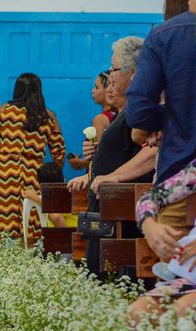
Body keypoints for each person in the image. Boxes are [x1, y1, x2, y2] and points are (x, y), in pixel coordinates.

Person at [68, 36, 156, 276]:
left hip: (124, 214)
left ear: (133, 73)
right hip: (105, 212)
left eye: (113, 69)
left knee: (114, 277)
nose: (110, 76)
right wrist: (95, 163)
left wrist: (114, 176)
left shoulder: (145, 109)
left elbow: (152, 151)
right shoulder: (125, 112)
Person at [125, 2, 196, 259]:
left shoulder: (165, 36)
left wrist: (177, 114)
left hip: (180, 172)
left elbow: (138, 113)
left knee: (175, 279)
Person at [0, 73, 66, 244]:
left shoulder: (3, 111)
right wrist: (51, 176)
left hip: (4, 175)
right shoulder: (48, 116)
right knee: (31, 231)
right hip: (34, 176)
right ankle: (29, 268)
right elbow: (59, 154)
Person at [129, 155, 196, 324]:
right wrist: (149, 225)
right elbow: (152, 197)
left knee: (184, 310)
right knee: (139, 312)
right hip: (191, 276)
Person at [69, 71, 117, 171]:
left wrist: (78, 163)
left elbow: (98, 157)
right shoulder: (119, 115)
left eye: (96, 87)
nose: (92, 91)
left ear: (108, 89)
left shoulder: (100, 119)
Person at [22, 162, 77, 228]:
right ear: (64, 180)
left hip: (66, 236)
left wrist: (36, 198)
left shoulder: (55, 201)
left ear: (41, 187)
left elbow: (56, 217)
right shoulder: (70, 193)